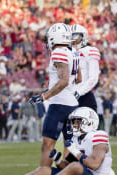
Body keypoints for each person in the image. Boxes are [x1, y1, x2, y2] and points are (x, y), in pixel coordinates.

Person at [0, 107, 117, 175]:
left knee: (76, 167)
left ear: (89, 122)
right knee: (44, 170)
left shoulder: (98, 136)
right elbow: (68, 169)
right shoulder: (75, 139)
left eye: (78, 122)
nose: (74, 125)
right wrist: (58, 160)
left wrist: (76, 153)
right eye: (74, 122)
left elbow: (94, 164)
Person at [28, 23, 81, 166]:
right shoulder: (73, 52)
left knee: (47, 145)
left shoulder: (59, 52)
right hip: (73, 104)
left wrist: (44, 96)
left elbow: (63, 81)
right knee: (69, 146)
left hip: (59, 105)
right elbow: (79, 78)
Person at [71, 24, 100, 112]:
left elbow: (93, 78)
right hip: (69, 97)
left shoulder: (89, 51)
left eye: (76, 36)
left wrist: (79, 92)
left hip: (84, 97)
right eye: (70, 36)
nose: (73, 39)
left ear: (83, 36)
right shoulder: (66, 52)